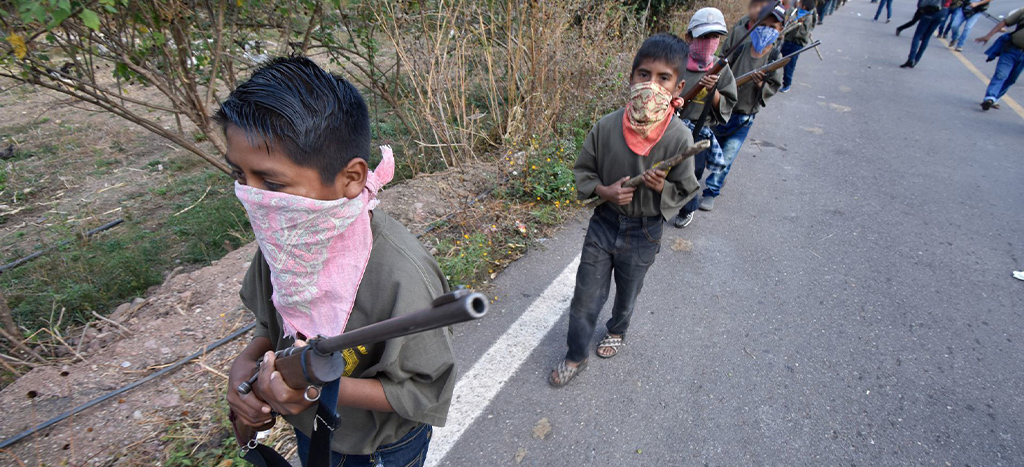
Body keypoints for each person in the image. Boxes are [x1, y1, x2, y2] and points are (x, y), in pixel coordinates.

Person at [222, 57, 456, 466]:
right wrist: (245, 365)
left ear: (350, 179)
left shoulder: (402, 274)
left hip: (379, 450)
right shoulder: (282, 240)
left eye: (271, 183)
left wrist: (312, 384)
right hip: (311, 431)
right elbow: (271, 322)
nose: (253, 198)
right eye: (241, 177)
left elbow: (423, 390)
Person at [549, 33, 699, 387]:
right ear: (630, 78)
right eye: (643, 74)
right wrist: (604, 190)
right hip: (605, 222)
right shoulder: (606, 127)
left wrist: (664, 188)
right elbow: (584, 171)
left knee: (628, 290)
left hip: (645, 231)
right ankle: (576, 354)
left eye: (663, 78)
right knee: (586, 293)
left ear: (678, 87)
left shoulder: (679, 138)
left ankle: (617, 328)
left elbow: (686, 189)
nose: (651, 85)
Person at [703, 4, 787, 211]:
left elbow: (774, 86)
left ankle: (711, 191)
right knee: (709, 150)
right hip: (721, 110)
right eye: (762, 24)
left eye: (772, 26)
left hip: (744, 116)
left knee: (728, 154)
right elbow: (722, 63)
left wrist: (760, 83)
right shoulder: (741, 41)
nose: (766, 29)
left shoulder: (775, 56)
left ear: (780, 29)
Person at [673, 8, 738, 228]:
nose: (709, 42)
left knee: (692, 174)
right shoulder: (676, 62)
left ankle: (686, 209)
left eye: (714, 37)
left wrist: (715, 91)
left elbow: (728, 103)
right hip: (672, 128)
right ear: (688, 37)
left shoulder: (722, 69)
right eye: (703, 37)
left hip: (700, 133)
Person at [976, 7, 1024, 110]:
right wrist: (988, 36)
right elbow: (1004, 22)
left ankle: (995, 98)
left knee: (1011, 79)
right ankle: (990, 97)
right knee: (1001, 74)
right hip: (1011, 50)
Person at [781, 0, 817, 92]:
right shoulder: (796, 12)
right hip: (788, 40)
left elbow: (804, 32)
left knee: (789, 64)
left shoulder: (808, 17)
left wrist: (798, 24)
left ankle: (787, 84)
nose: (798, 4)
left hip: (796, 43)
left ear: (804, 6)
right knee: (780, 59)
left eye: (800, 3)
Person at [900, 0, 948, 68]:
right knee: (927, 37)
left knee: (918, 35)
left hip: (930, 10)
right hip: (942, 11)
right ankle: (916, 60)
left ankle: (911, 58)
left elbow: (921, 3)